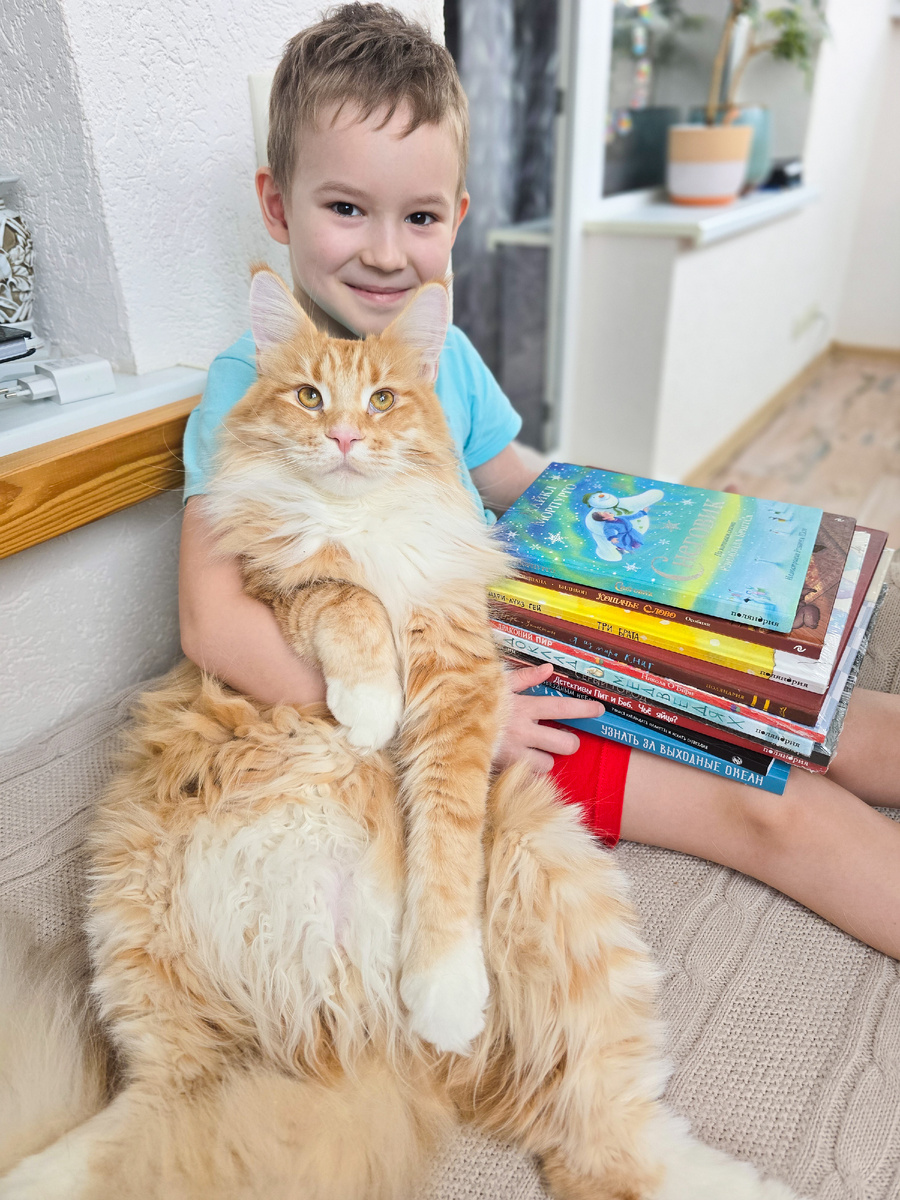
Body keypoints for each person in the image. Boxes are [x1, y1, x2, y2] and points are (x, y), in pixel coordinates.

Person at [179, 3, 900, 959]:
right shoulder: (254, 383)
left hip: (548, 631)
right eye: (346, 208)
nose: (387, 251)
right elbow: (212, 622)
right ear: (278, 205)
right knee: (773, 806)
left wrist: (685, 533)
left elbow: (527, 487)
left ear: (456, 219)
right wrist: (450, 721)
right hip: (463, 694)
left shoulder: (441, 354)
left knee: (842, 722)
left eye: (419, 217)